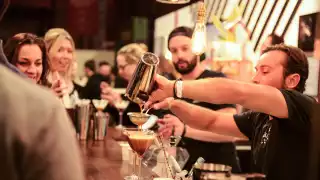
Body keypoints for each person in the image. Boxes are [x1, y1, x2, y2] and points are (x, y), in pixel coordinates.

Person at [146, 44, 314, 179]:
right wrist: (172, 104)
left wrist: (172, 87)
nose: (254, 79)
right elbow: (212, 121)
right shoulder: (260, 118)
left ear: (292, 80)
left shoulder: (302, 106)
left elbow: (238, 92)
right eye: (256, 70)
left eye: (265, 71)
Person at [0, 1, 84, 179]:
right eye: (60, 49)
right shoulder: (39, 105)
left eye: (69, 50)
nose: (32, 70)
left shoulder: (62, 88)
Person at [158, 26, 240, 172]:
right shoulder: (172, 86)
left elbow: (231, 133)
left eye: (185, 48)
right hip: (185, 171)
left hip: (217, 171)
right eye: (174, 51)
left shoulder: (216, 80)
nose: (179, 55)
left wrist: (184, 130)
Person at [44, 28, 83, 98]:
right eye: (60, 50)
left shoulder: (80, 90)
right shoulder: (38, 87)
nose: (66, 56)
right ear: (47, 52)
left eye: (69, 51)